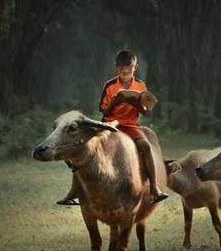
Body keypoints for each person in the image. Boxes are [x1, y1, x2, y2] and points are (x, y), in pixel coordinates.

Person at [57, 50, 168, 205]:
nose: (125, 74)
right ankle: (74, 191)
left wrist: (136, 103)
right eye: (122, 72)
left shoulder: (140, 85)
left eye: (129, 71)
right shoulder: (109, 86)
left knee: (146, 147)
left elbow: (146, 112)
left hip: (130, 125)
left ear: (135, 68)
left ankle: (154, 188)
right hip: (111, 124)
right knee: (84, 149)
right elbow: (103, 111)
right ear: (117, 68)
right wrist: (115, 102)